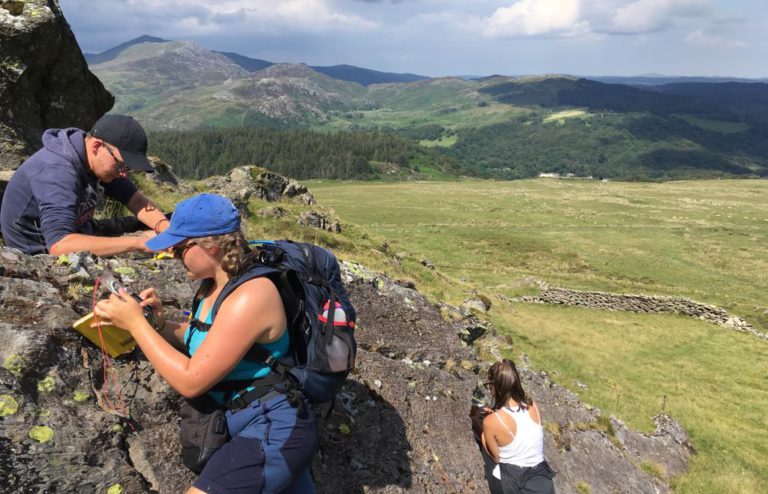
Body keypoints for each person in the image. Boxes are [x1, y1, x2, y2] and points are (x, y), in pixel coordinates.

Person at [94, 194, 318, 494]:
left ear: (211, 245)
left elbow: (191, 381)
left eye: (180, 248)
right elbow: (205, 339)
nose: (173, 255)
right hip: (243, 419)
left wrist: (135, 324)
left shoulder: (251, 295)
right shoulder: (215, 285)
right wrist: (157, 325)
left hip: (273, 424)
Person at [0, 114, 168, 256]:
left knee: (168, 219)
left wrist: (166, 229)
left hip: (81, 231)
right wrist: (139, 243)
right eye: (121, 165)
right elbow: (60, 245)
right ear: (96, 146)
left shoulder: (94, 158)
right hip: (40, 256)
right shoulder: (57, 173)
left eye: (128, 168)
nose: (124, 174)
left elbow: (134, 199)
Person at [482, 359, 555, 494]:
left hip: (514, 481)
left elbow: (496, 457)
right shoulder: (533, 406)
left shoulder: (491, 421)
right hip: (542, 479)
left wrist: (483, 434)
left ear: (495, 387)